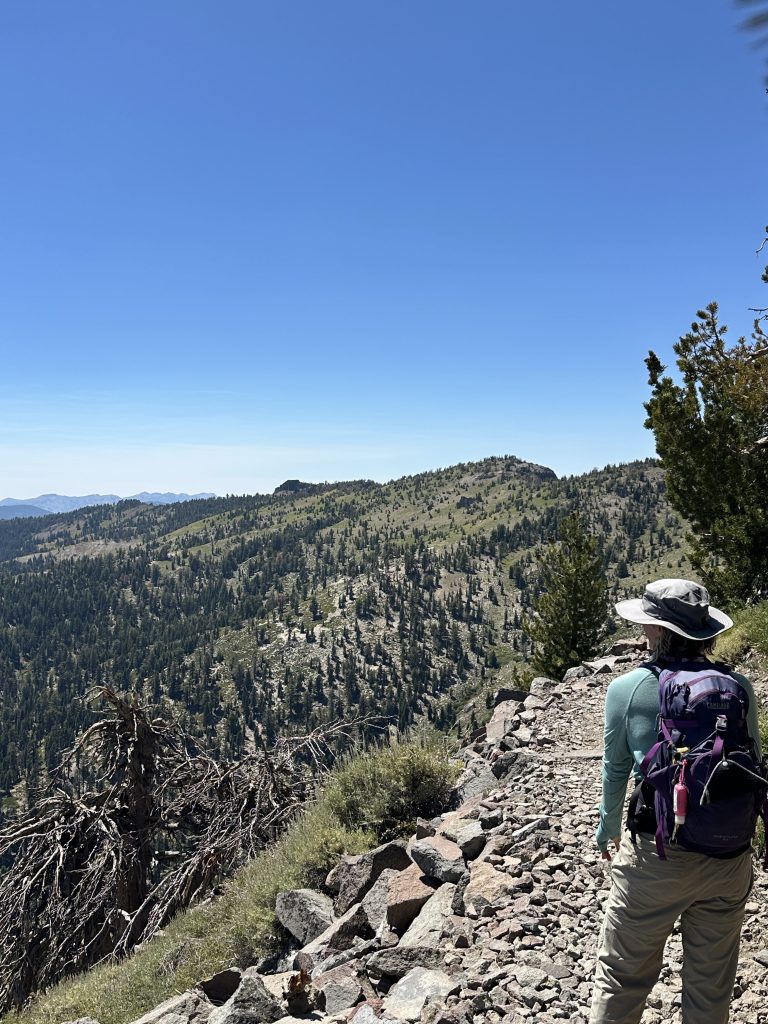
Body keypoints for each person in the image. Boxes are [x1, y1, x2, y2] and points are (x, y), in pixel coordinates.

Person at [590, 578, 763, 1024]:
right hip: (728, 856)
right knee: (710, 986)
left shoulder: (627, 689)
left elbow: (615, 770)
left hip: (658, 855)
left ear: (659, 631)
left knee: (622, 977)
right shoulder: (738, 687)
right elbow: (753, 766)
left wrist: (607, 827)